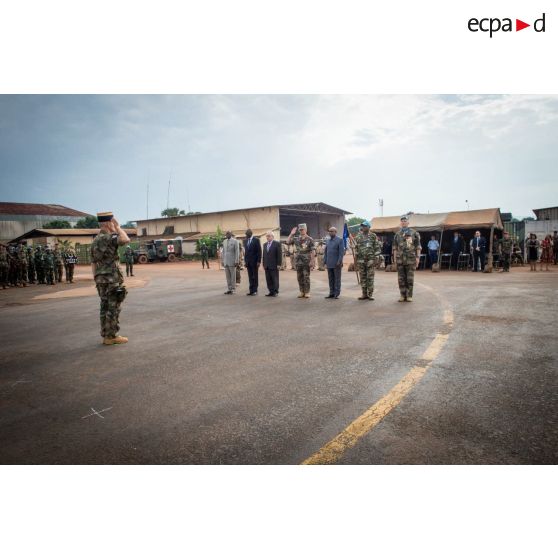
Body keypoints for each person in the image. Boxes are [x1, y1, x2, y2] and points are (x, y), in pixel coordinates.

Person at [91, 212, 130, 345]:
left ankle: (105, 334)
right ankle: (111, 336)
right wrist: (118, 227)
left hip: (100, 279)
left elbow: (93, 262)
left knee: (104, 306)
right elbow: (125, 239)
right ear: (109, 223)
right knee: (113, 307)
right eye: (112, 223)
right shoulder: (110, 237)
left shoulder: (95, 240)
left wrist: (96, 278)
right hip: (112, 279)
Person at [393, 215, 421, 302]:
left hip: (410, 259)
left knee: (409, 278)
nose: (403, 222)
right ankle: (402, 295)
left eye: (405, 221)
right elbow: (394, 248)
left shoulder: (414, 233)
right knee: (401, 279)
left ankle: (409, 296)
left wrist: (417, 258)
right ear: (400, 223)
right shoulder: (397, 234)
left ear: (408, 222)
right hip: (400, 259)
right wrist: (394, 260)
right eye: (402, 221)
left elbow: (418, 246)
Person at [353, 220, 381, 300]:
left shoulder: (373, 236)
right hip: (361, 261)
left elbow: (377, 248)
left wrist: (376, 259)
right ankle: (364, 294)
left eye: (365, 226)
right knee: (363, 278)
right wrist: (355, 261)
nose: (363, 227)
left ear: (369, 227)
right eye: (362, 226)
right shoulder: (358, 236)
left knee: (370, 278)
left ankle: (370, 294)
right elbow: (357, 249)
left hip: (370, 261)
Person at [287, 224, 315, 298]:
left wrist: (312, 261)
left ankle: (307, 292)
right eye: (300, 230)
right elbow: (288, 242)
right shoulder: (296, 239)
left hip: (306, 260)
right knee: (299, 277)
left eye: (302, 229)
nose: (301, 231)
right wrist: (291, 234)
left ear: (306, 230)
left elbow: (313, 251)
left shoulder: (310, 239)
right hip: (298, 260)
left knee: (306, 277)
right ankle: (302, 291)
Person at [323, 226, 345, 299]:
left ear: (336, 232)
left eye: (332, 231)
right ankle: (331, 293)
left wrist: (339, 261)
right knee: (331, 279)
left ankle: (336, 293)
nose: (330, 232)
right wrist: (325, 261)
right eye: (329, 231)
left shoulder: (340, 240)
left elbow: (341, 252)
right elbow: (326, 252)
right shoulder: (328, 241)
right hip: (329, 263)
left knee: (337, 279)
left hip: (336, 263)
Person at [262, 231, 282, 296]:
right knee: (268, 279)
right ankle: (271, 291)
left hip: (274, 265)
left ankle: (275, 291)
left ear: (272, 237)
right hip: (267, 265)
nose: (267, 237)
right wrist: (264, 264)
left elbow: (279, 255)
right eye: (267, 236)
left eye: (269, 236)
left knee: (275, 279)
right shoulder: (264, 244)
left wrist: (279, 264)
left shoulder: (277, 244)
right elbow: (264, 255)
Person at [244, 228, 262, 296]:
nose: (246, 235)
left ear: (250, 234)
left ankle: (255, 290)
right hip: (248, 262)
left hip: (254, 262)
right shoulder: (245, 241)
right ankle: (251, 290)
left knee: (255, 276)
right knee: (250, 277)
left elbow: (259, 251)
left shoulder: (256, 240)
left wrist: (259, 261)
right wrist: (245, 261)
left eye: (247, 234)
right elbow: (246, 252)